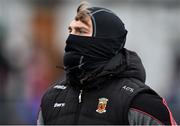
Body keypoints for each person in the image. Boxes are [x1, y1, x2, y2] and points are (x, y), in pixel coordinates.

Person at [37, 2, 177, 125]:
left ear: (105, 40)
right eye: (71, 31)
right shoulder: (51, 98)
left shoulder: (141, 103)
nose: (71, 38)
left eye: (81, 31)